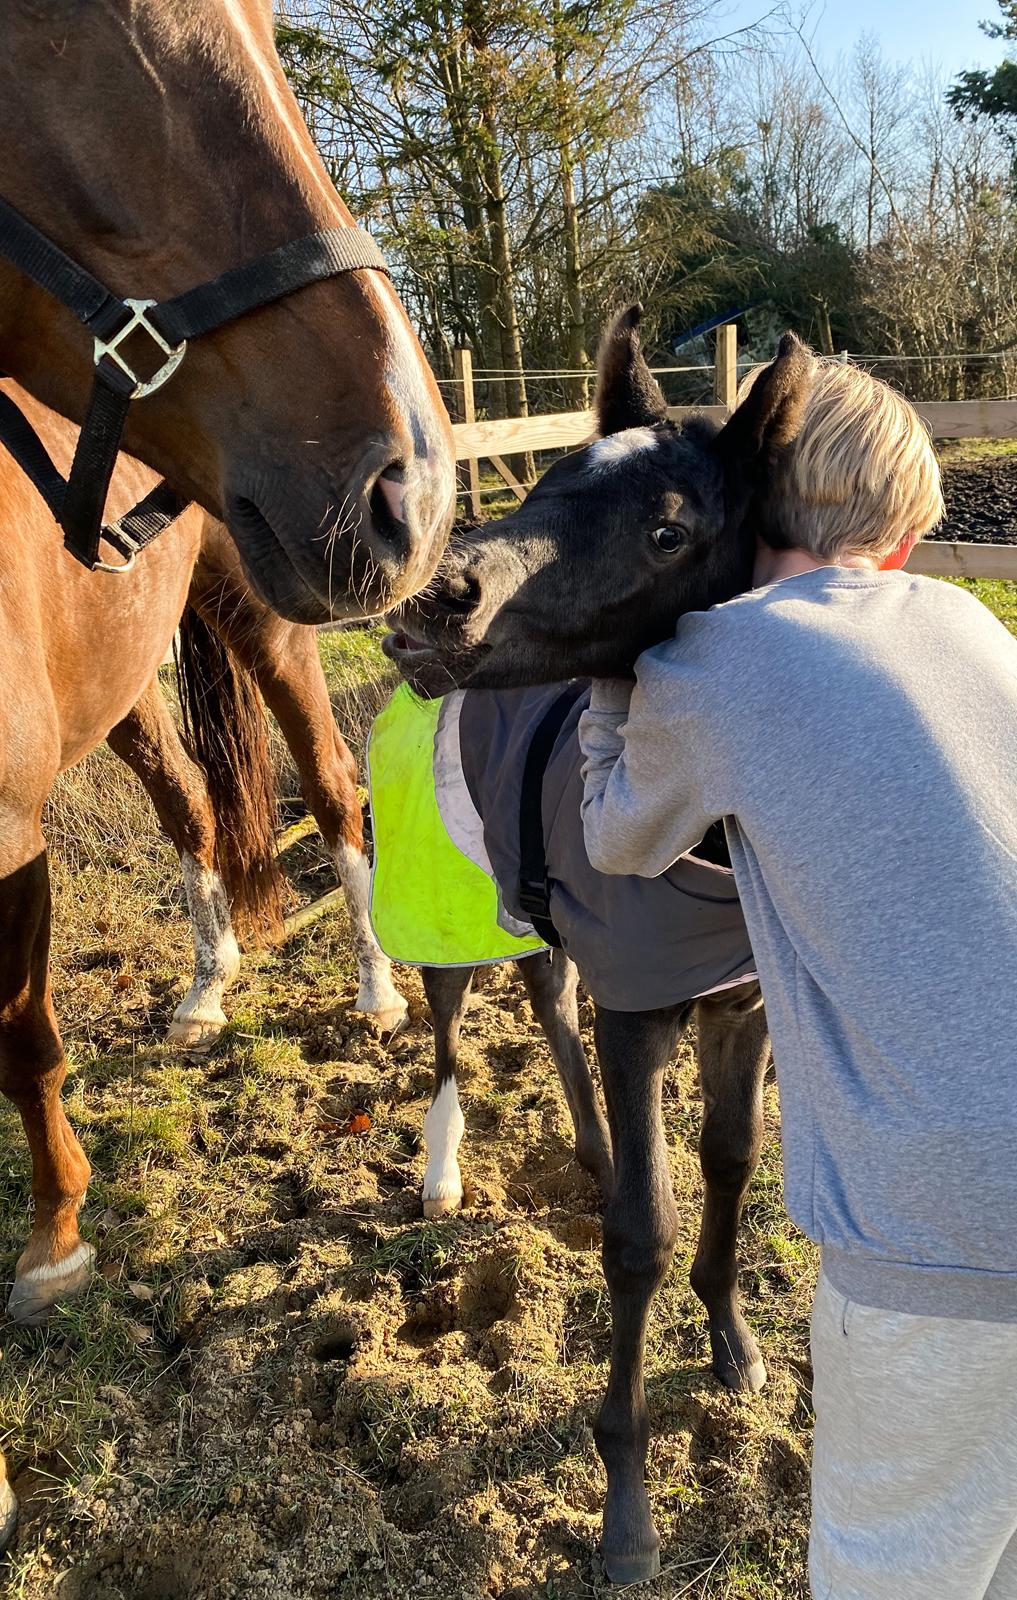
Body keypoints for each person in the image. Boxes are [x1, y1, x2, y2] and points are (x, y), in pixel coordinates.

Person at [578, 352, 1017, 1600]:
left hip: (950, 1241)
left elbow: (617, 835)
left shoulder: (721, 663)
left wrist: (622, 666)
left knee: (893, 1571)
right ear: (903, 533)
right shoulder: (969, 622)